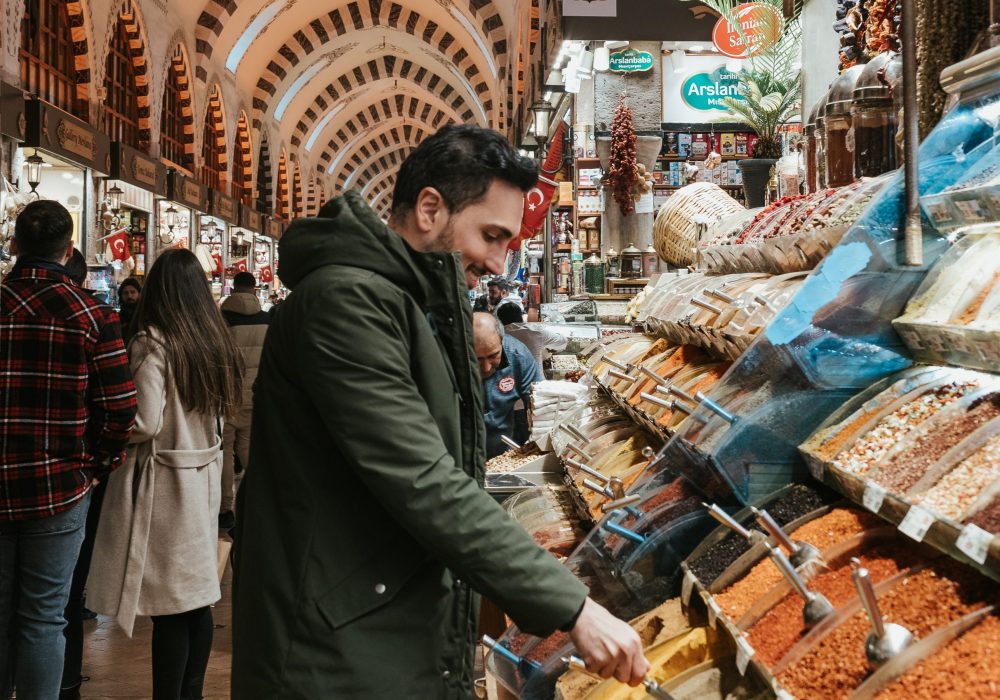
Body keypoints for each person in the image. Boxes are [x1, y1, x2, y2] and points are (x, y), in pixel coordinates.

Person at [232, 124, 648, 698]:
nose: (500, 262)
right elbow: (422, 479)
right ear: (430, 208)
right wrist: (572, 607)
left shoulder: (407, 303)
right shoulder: (347, 303)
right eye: (491, 235)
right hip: (332, 652)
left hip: (373, 624)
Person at [88, 248, 244, 700]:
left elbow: (145, 421)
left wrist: (105, 421)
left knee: (170, 608)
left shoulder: (153, 341)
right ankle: (191, 693)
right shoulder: (213, 340)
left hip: (164, 487)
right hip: (202, 479)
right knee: (196, 598)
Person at [0, 201, 137, 700]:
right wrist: (98, 465)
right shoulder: (92, 314)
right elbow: (121, 407)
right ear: (69, 248)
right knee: (42, 617)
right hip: (59, 487)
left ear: (14, 245)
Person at [218, 271, 271, 530]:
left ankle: (225, 509)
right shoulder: (267, 320)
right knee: (251, 453)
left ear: (233, 288)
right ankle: (261, 503)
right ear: (253, 290)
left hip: (226, 397)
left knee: (225, 454)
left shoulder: (220, 320)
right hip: (256, 396)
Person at [473, 312, 543, 458]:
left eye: (493, 356)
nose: (486, 368)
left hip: (500, 449)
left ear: (501, 340)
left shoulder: (518, 355)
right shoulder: (446, 360)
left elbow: (540, 405)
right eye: (477, 359)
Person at [496, 302, 569, 369]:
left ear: (500, 320)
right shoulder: (535, 331)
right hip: (535, 382)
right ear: (521, 316)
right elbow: (563, 341)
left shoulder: (497, 337)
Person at [117, 277, 142, 344]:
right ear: (121, 296)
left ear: (139, 294)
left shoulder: (145, 317)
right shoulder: (117, 318)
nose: (129, 296)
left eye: (133, 292)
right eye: (125, 293)